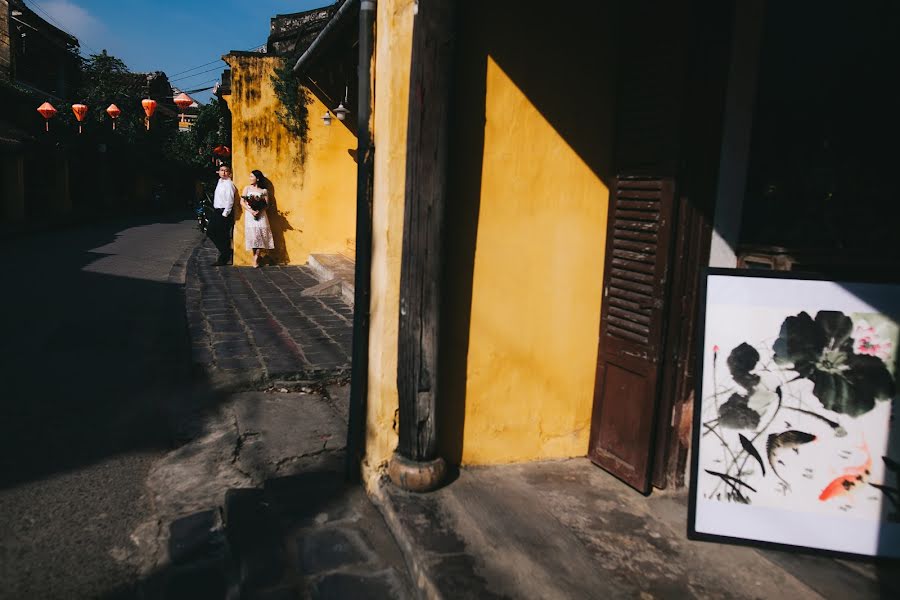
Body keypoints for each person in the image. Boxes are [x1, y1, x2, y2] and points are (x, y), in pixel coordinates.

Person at [240, 169, 274, 268]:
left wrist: (259, 210)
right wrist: (251, 211)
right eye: (250, 176)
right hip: (250, 215)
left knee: (260, 236)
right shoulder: (247, 188)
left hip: (261, 215)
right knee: (254, 237)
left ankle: (256, 257)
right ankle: (254, 255)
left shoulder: (264, 191)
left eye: (252, 176)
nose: (250, 178)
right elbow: (242, 202)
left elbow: (266, 204)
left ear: (257, 178)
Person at [209, 164, 237, 265]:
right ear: (219, 172)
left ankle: (224, 256)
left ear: (229, 173)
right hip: (217, 211)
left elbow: (230, 200)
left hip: (224, 212)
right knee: (211, 232)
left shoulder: (229, 184)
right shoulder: (220, 182)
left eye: (226, 171)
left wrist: (225, 214)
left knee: (222, 234)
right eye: (221, 170)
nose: (223, 172)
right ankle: (226, 252)